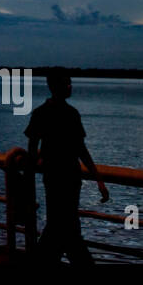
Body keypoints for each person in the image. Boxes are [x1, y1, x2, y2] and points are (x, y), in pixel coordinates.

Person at [24, 68, 110, 264]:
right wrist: (98, 180)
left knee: (59, 224)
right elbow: (80, 150)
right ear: (56, 86)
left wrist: (99, 180)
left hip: (58, 177)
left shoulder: (43, 113)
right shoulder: (69, 114)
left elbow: (34, 150)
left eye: (70, 82)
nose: (70, 86)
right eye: (66, 83)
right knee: (65, 225)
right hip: (67, 177)